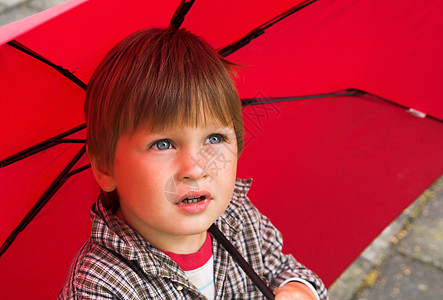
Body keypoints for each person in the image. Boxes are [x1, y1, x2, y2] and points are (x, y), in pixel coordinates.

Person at [58, 27, 328, 300]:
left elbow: (282, 268)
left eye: (214, 138)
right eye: (163, 144)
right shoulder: (99, 286)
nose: (196, 169)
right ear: (105, 166)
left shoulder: (238, 216)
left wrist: (297, 290)